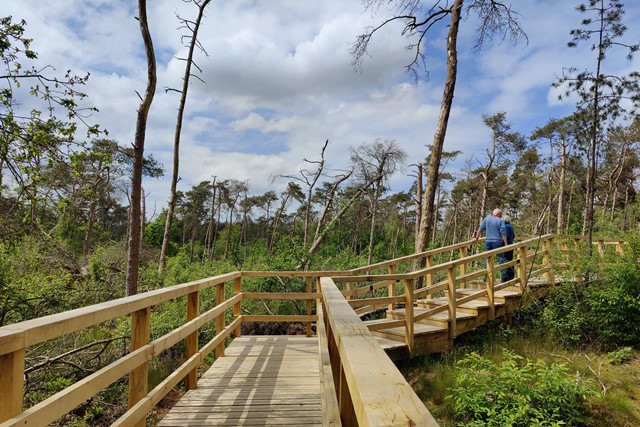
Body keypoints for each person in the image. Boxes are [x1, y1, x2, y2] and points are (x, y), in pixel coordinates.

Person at [473, 208, 508, 280]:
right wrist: (506, 243)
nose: (501, 216)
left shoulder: (487, 219)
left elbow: (480, 228)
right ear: (498, 214)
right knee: (501, 258)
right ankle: (504, 277)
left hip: (488, 241)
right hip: (498, 242)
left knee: (487, 258)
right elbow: (503, 232)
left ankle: (486, 276)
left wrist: (476, 238)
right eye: (500, 215)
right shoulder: (500, 220)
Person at [503, 215, 516, 281]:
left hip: (506, 246)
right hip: (511, 245)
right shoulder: (510, 226)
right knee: (510, 260)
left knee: (505, 260)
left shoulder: (505, 227)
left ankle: (507, 277)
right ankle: (511, 275)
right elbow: (513, 236)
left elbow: (505, 236)